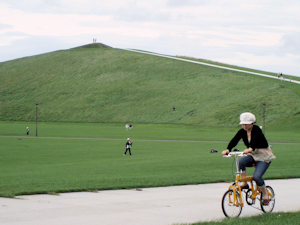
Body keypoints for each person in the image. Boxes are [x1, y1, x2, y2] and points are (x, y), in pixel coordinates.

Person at [222, 112, 276, 205]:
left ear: (252, 123)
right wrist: (228, 149)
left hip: (263, 156)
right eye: (243, 124)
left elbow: (255, 140)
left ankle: (265, 193)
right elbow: (235, 140)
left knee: (257, 177)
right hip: (253, 154)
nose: (244, 126)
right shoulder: (242, 131)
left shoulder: (257, 130)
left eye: (246, 124)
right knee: (240, 162)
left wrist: (250, 148)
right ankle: (244, 183)